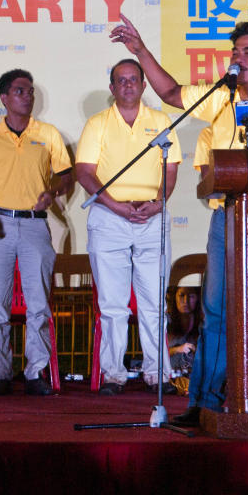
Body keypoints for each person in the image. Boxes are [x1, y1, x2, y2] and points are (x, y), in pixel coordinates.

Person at [110, 14, 248, 426]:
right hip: (228, 221)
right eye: (235, 52)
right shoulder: (222, 97)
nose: (238, 58)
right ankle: (205, 404)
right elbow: (169, 92)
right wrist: (141, 51)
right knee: (216, 311)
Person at [74, 59, 181, 396]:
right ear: (112, 88)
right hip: (110, 218)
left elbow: (172, 168)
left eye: (134, 79)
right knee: (113, 304)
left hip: (151, 217)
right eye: (121, 81)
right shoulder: (97, 123)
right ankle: (113, 375)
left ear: (144, 85)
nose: (128, 85)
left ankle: (157, 373)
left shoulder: (161, 121)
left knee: (153, 303)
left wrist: (160, 202)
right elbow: (85, 172)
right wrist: (115, 205)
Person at [0, 69, 73, 396]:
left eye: (30, 91)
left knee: (38, 304)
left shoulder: (48, 134)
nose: (27, 96)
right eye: (20, 91)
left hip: (35, 224)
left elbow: (66, 176)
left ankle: (35, 372)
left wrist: (52, 193)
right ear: (4, 98)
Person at [167, 285, 202, 379]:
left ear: (198, 299)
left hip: (194, 377)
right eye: (181, 295)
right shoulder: (166, 321)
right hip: (169, 376)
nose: (185, 301)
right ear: (175, 297)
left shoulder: (204, 323)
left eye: (191, 296)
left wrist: (198, 351)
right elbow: (156, 354)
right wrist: (177, 349)